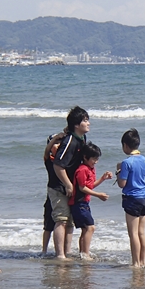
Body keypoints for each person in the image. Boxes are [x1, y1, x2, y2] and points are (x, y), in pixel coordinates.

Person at [48, 106, 90, 259]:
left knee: (70, 221)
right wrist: (68, 184)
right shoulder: (70, 141)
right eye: (85, 120)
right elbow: (58, 165)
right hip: (59, 186)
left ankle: (67, 252)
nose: (88, 123)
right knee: (61, 219)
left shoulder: (81, 139)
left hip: (71, 187)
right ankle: (60, 255)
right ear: (76, 125)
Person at [69, 142, 113, 259]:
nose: (96, 162)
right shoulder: (82, 170)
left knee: (85, 229)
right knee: (90, 227)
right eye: (94, 159)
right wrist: (98, 195)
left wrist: (102, 179)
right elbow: (82, 188)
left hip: (83, 203)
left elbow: (90, 186)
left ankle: (82, 253)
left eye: (97, 159)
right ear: (85, 157)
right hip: (79, 203)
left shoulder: (89, 168)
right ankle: (85, 254)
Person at [116, 128, 145, 267]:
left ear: (125, 145)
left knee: (133, 233)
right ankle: (142, 261)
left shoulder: (126, 162)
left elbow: (121, 183)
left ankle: (135, 262)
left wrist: (118, 171)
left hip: (132, 198)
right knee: (141, 232)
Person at [42, 132, 65, 255]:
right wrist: (54, 138)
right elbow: (46, 152)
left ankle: (63, 250)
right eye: (55, 143)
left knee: (63, 222)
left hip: (63, 193)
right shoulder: (49, 159)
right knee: (48, 226)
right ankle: (44, 251)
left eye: (59, 143)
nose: (57, 145)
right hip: (52, 195)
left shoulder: (64, 160)